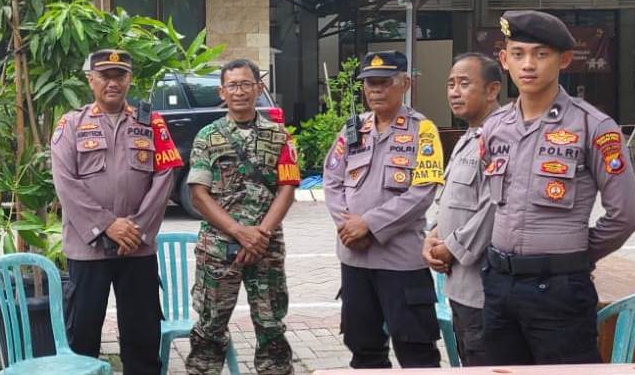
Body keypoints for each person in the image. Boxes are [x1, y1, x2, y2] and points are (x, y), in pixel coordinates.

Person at [480, 10, 635, 365]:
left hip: (559, 291)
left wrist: (573, 257)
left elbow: (624, 216)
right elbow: (492, 205)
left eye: (541, 54)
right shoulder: (495, 127)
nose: (529, 65)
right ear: (504, 60)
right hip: (499, 286)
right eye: (518, 54)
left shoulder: (594, 126)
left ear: (564, 59)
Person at [50, 49, 183, 375]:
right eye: (105, 75)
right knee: (82, 337)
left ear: (129, 79)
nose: (112, 82)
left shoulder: (152, 122)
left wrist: (134, 229)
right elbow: (65, 183)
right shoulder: (71, 124)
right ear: (90, 79)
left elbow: (165, 177)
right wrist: (109, 225)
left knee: (142, 338)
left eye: (119, 75)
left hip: (137, 249)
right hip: (87, 249)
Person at [322, 50, 444, 369]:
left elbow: (423, 191)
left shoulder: (423, 131)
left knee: (416, 348)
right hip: (355, 258)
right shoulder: (352, 130)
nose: (375, 89)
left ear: (404, 83)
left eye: (383, 82)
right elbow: (332, 181)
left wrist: (370, 225)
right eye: (369, 83)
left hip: (400, 260)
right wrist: (347, 226)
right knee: (363, 348)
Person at [185, 59, 300, 375]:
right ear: (222, 92)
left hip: (266, 246)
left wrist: (259, 233)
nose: (239, 92)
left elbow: (287, 188)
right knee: (210, 326)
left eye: (246, 84)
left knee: (271, 326)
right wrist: (239, 232)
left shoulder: (279, 136)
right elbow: (199, 194)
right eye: (232, 85)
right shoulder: (207, 137)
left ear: (259, 88)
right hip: (218, 248)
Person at [422, 53, 501, 366]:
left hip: (484, 292)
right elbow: (453, 200)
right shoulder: (468, 138)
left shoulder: (500, 136)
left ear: (492, 90)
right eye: (451, 84)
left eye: (464, 84)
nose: (454, 91)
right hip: (460, 287)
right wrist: (433, 234)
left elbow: (494, 206)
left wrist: (451, 247)